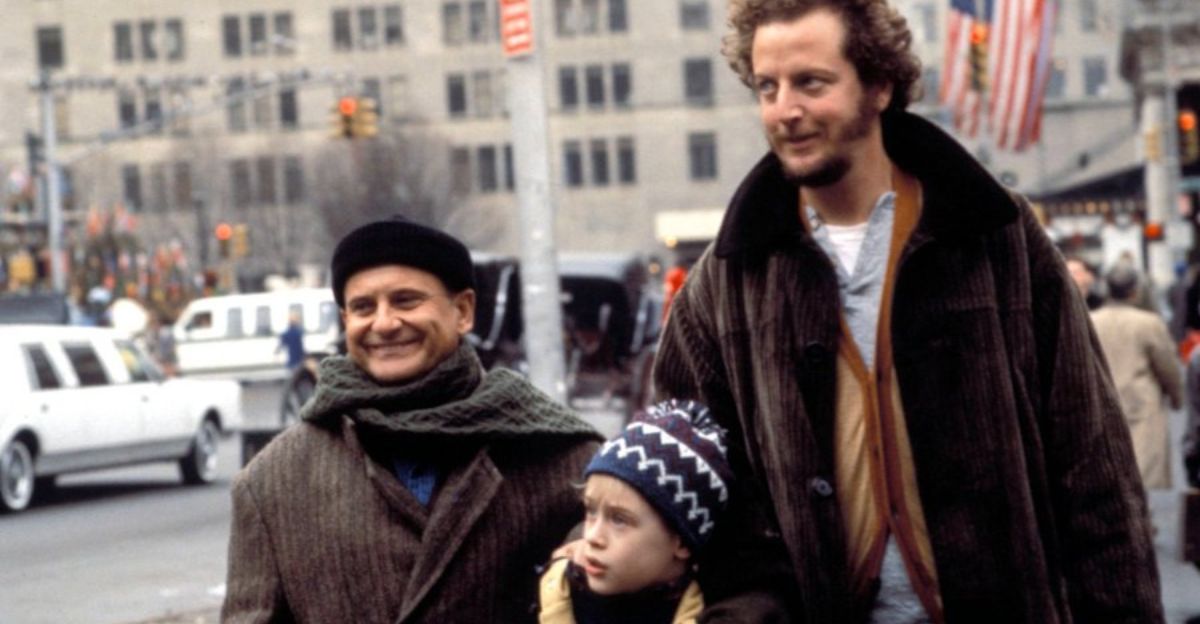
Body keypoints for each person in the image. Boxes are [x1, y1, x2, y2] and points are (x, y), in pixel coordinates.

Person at [651, 0, 1163, 621]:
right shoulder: (725, 283)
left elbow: (1093, 466)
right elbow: (688, 489)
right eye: (767, 86)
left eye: (811, 82)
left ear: (879, 85)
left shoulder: (994, 237)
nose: (785, 109)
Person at [221, 216, 603, 623]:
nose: (384, 323)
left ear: (463, 311)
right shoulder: (272, 483)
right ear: (346, 320)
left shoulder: (563, 458)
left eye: (406, 301)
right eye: (363, 307)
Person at [538, 399, 731, 623]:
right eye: (591, 511)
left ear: (681, 543)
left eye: (619, 519)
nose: (591, 536)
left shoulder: (714, 613)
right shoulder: (557, 594)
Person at [1091, 265, 1183, 491]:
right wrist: (1176, 397)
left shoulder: (1091, 320)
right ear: (1134, 291)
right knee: (1144, 472)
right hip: (1141, 402)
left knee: (1109, 469)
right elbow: (1167, 366)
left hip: (1101, 400)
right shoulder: (1148, 322)